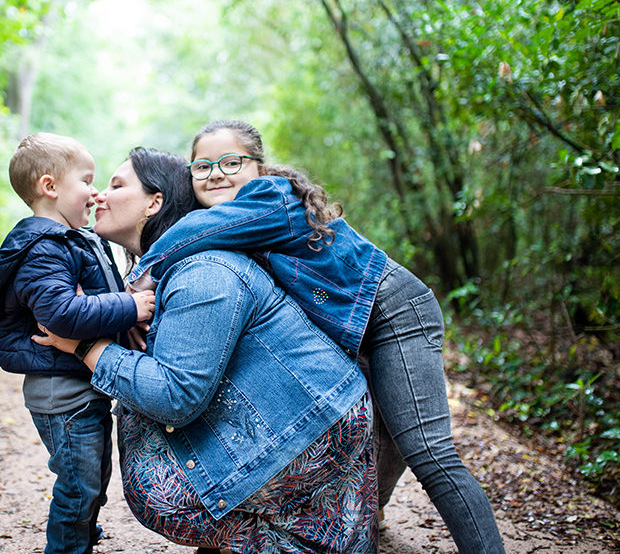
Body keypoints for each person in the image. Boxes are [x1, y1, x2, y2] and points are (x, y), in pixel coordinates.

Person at [127, 120, 507, 554]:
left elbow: (199, 231)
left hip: (393, 314)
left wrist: (140, 277)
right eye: (202, 166)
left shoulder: (268, 197)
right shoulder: (237, 227)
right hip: (349, 330)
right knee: (379, 431)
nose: (215, 173)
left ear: (259, 166)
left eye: (231, 162)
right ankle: (368, 518)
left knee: (428, 452)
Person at [34, 147, 376, 553]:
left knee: (161, 491)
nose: (98, 197)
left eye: (116, 185)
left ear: (155, 201)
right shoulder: (161, 277)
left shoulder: (203, 272)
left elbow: (174, 397)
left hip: (310, 428)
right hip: (299, 419)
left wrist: (86, 345)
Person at [0, 133, 157, 554]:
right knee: (78, 488)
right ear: (50, 187)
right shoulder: (44, 249)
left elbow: (96, 294)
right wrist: (131, 308)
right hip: (62, 393)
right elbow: (62, 315)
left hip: (79, 385)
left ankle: (81, 537)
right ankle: (68, 547)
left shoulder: (73, 240)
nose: (95, 192)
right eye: (87, 180)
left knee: (91, 480)